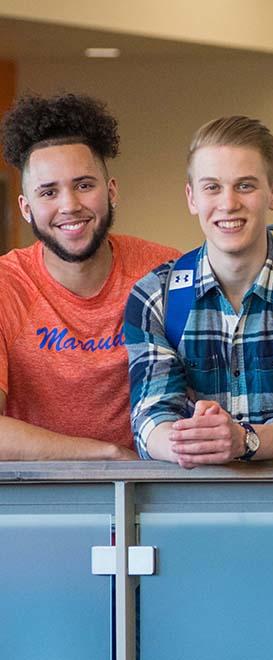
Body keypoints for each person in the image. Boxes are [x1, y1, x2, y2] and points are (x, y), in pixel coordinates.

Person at [125, 115, 273, 466]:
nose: (228, 203)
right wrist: (198, 444)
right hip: (189, 504)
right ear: (191, 197)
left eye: (245, 186)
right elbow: (151, 417)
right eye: (212, 187)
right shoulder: (155, 296)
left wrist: (242, 440)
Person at [0, 93, 180, 460]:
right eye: (48, 191)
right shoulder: (6, 286)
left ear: (111, 191)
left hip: (154, 496)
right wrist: (106, 456)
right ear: (26, 208)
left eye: (84, 185)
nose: (69, 205)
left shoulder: (166, 273)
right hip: (35, 504)